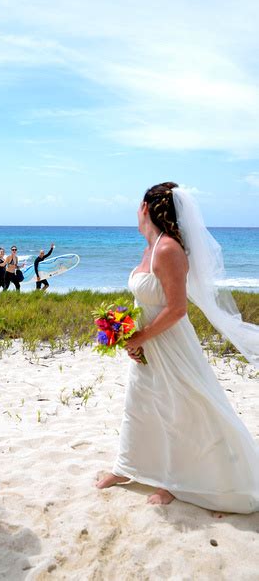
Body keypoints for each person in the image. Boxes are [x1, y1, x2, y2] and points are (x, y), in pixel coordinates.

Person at [96, 182, 259, 514]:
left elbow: (177, 308)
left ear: (146, 208)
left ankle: (172, 482)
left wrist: (140, 336)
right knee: (139, 401)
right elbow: (147, 296)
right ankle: (125, 466)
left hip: (168, 342)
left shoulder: (168, 249)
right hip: (149, 340)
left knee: (178, 407)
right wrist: (124, 327)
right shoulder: (150, 246)